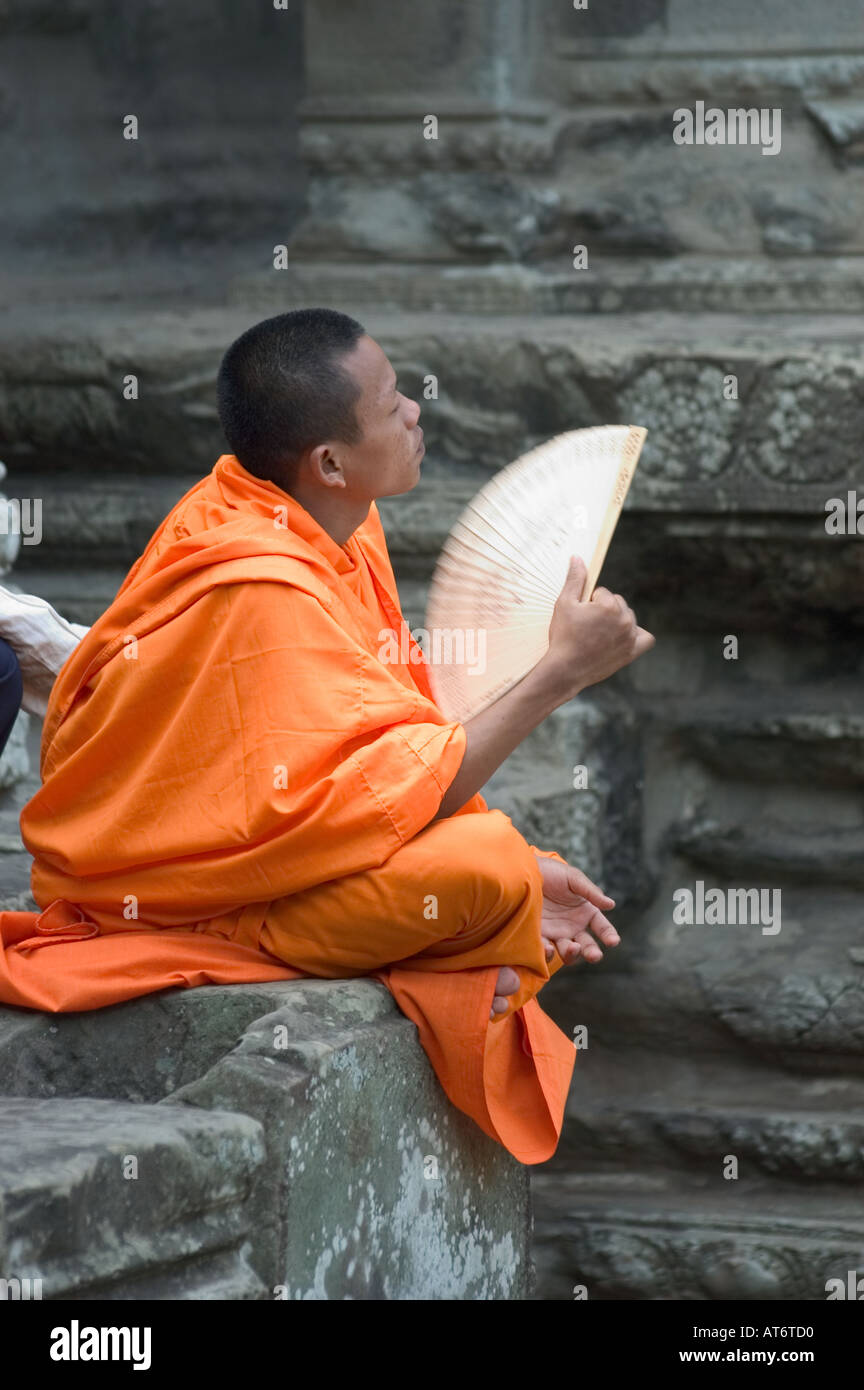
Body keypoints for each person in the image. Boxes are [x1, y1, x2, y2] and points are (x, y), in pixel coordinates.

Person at [0, 309, 654, 1164]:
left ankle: (414, 933)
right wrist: (560, 673)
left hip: (261, 846)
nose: (416, 412)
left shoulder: (331, 526)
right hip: (185, 886)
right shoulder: (261, 586)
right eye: (391, 407)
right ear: (331, 463)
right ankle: (226, 933)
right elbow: (398, 786)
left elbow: (364, 765)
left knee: (504, 866)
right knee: (488, 869)